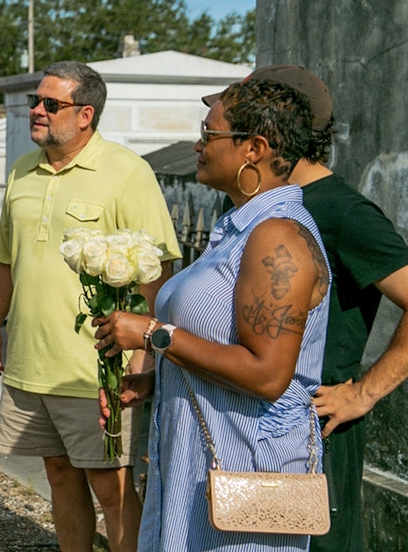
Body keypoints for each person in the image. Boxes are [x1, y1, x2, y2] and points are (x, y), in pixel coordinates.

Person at [93, 78, 330, 550]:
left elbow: (267, 376)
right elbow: (216, 337)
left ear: (254, 149)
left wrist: (155, 336)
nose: (199, 145)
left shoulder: (277, 238)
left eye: (210, 134)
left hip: (247, 476)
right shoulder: (239, 228)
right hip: (195, 466)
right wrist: (155, 378)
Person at [0, 61, 181, 552]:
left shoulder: (127, 172)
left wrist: (142, 359)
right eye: (35, 102)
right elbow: (7, 259)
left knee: (110, 488)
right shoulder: (22, 171)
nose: (37, 111)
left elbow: (156, 273)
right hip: (30, 361)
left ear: (85, 114)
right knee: (59, 475)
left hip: (96, 370)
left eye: (51, 104)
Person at [203, 66, 408, 551]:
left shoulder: (342, 213)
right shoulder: (251, 202)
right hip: (243, 426)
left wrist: (363, 392)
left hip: (312, 434)